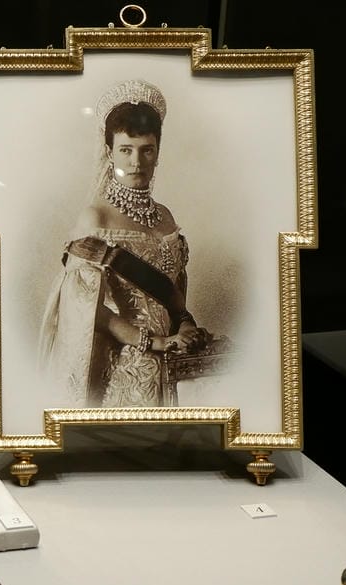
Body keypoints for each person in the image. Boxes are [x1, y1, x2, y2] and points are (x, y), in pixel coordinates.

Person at [38, 78, 220, 406]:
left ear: (157, 152)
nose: (136, 162)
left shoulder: (165, 216)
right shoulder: (96, 219)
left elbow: (174, 293)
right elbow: (85, 309)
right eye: (126, 150)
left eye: (146, 150)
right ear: (110, 152)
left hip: (174, 357)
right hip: (123, 363)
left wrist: (185, 325)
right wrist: (152, 342)